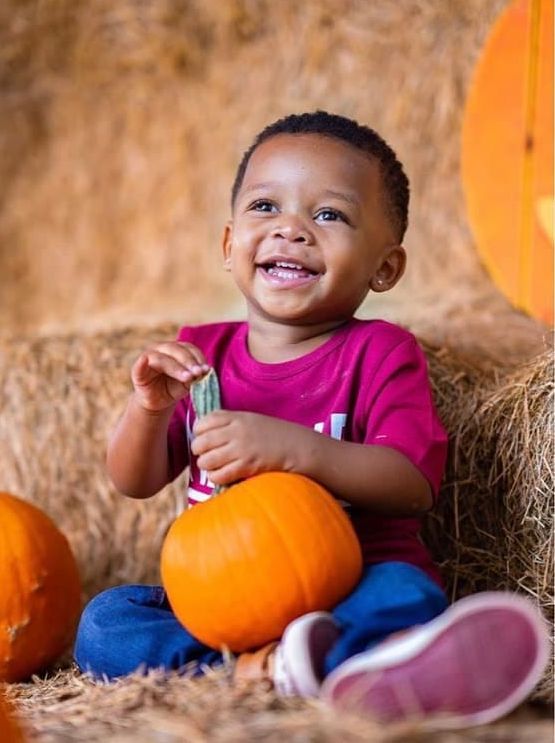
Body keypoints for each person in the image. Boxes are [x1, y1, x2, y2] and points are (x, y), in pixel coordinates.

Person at [74, 111, 549, 727]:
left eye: (329, 215)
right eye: (266, 207)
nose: (291, 230)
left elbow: (411, 485)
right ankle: (273, 669)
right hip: (224, 599)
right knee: (107, 624)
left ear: (385, 267)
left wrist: (293, 449)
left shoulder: (380, 353)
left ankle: (340, 655)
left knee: (410, 597)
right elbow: (132, 480)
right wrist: (148, 408)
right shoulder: (201, 357)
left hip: (352, 581)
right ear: (228, 244)